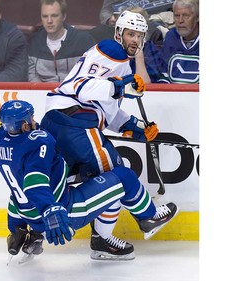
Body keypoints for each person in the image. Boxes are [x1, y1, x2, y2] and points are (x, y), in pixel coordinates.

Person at [0, 100, 179, 261]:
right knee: (123, 177)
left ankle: (30, 236)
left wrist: (14, 227)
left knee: (93, 175)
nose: (34, 121)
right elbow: (35, 183)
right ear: (24, 125)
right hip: (66, 210)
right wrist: (50, 208)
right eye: (31, 118)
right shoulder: (39, 140)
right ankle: (148, 217)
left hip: (26, 214)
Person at [40, 11, 160, 260]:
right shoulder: (111, 51)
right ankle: (142, 219)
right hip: (74, 122)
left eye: (139, 35)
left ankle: (30, 232)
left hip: (58, 121)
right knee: (114, 175)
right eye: (130, 34)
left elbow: (110, 113)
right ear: (118, 33)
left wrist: (137, 128)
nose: (134, 40)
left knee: (62, 178)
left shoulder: (121, 63)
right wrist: (121, 85)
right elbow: (80, 87)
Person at [27, 0, 96, 82]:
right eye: (45, 16)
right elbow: (31, 76)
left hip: (73, 91)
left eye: (54, 16)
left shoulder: (84, 41)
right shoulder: (34, 42)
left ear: (63, 17)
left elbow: (92, 75)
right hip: (41, 92)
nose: (49, 21)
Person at [157, 0, 199, 83]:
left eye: (186, 16)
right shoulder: (171, 37)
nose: (180, 20)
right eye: (177, 15)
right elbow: (164, 75)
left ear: (197, 17)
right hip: (174, 94)